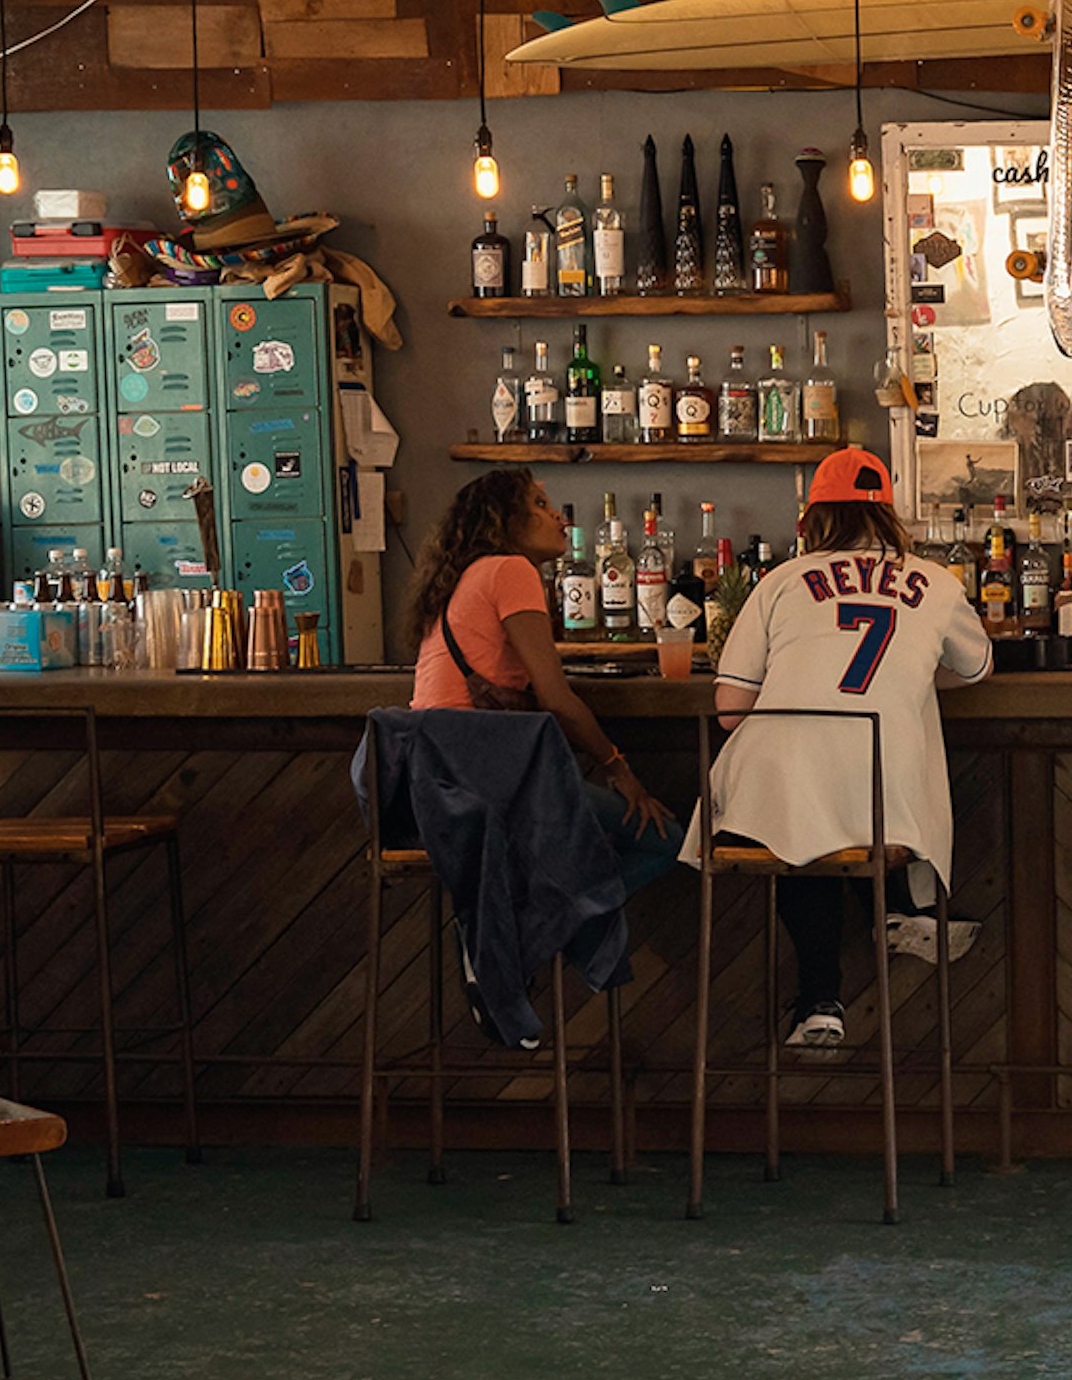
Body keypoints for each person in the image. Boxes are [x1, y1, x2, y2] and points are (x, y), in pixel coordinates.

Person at [691, 444, 991, 1053]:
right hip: (892, 799)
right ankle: (897, 907)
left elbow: (728, 711)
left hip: (777, 794)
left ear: (813, 518)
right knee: (838, 808)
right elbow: (978, 668)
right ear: (890, 514)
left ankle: (821, 1000)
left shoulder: (781, 582)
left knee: (796, 818)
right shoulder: (934, 583)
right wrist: (901, 679)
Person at [405, 463, 676, 897]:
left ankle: (533, 924)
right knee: (664, 841)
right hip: (485, 783)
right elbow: (556, 698)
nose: (558, 516)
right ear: (506, 521)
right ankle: (550, 923)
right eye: (539, 503)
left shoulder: (461, 576)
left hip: (435, 785)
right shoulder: (510, 570)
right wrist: (619, 770)